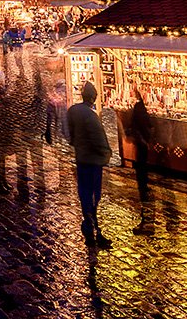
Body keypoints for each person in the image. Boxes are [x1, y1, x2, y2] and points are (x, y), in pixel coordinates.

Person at [68, 82, 112, 249]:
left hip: (81, 158)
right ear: (93, 97)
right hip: (93, 161)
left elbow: (70, 134)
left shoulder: (73, 111)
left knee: (85, 194)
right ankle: (93, 230)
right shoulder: (91, 116)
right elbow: (99, 139)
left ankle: (90, 228)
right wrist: (107, 155)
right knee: (94, 196)